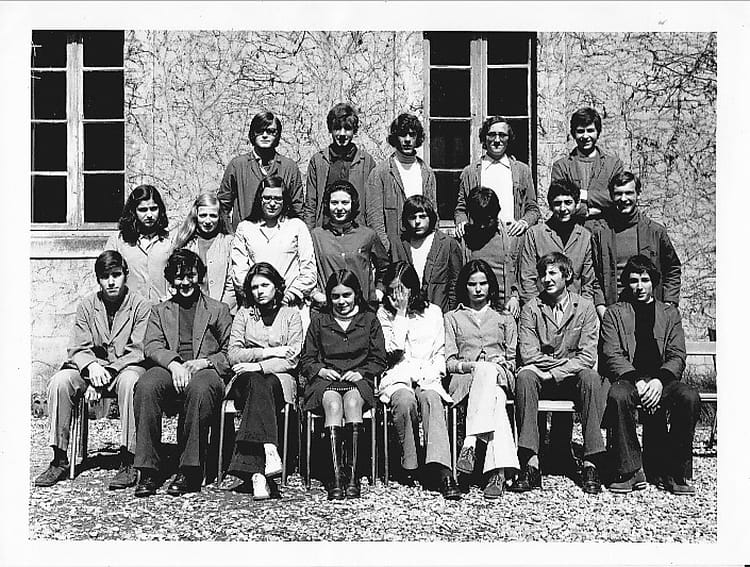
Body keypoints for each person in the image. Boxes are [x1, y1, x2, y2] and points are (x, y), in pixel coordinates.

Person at [34, 251, 150, 490]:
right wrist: (91, 367)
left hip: (124, 369)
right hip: (92, 369)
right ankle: (59, 458)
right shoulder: (87, 305)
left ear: (125, 275)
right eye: (105, 277)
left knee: (131, 382)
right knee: (60, 381)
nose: (111, 282)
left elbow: (139, 350)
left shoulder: (141, 305)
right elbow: (78, 347)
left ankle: (129, 459)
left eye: (116, 275)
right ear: (98, 279)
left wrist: (106, 372)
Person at [133, 249, 232, 497]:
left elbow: (231, 351)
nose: (185, 282)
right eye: (179, 277)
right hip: (171, 369)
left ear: (200, 276)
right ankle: (148, 469)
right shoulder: (160, 311)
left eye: (191, 276)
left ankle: (190, 469)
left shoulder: (218, 309)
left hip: (205, 370)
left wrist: (205, 362)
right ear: (171, 280)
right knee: (146, 385)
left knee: (200, 388)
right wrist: (174, 364)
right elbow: (152, 345)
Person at [601, 255, 700, 495]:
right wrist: (637, 379)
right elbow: (611, 353)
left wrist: (659, 381)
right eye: (634, 280)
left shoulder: (670, 313)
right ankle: (631, 470)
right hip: (629, 379)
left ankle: (675, 471)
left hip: (662, 380)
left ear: (654, 282)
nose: (639, 286)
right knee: (618, 396)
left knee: (689, 397)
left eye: (645, 280)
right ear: (627, 283)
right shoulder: (614, 313)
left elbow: (677, 355)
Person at [510, 252, 608, 495]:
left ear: (567, 275)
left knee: (591, 377)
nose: (547, 279)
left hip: (571, 380)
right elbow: (529, 354)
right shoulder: (531, 308)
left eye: (552, 273)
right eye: (543, 274)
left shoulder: (585, 308)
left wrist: (554, 372)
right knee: (524, 377)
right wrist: (562, 365)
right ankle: (530, 462)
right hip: (541, 378)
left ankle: (591, 462)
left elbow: (587, 357)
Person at [376, 262, 461, 500]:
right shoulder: (383, 314)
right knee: (405, 401)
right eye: (392, 290)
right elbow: (392, 350)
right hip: (398, 375)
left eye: (402, 289)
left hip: (427, 374)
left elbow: (439, 352)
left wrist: (431, 375)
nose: (398, 295)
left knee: (431, 399)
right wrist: (401, 314)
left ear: (413, 287)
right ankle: (410, 464)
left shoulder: (433, 312)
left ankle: (442, 470)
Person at [300, 270, 387, 500]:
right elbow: (307, 359)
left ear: (356, 293)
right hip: (326, 381)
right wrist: (320, 370)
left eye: (346, 295)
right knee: (333, 405)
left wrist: (362, 372)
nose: (341, 301)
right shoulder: (320, 321)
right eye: (335, 296)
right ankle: (335, 476)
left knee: (352, 403)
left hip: (358, 380)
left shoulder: (369, 320)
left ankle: (353, 476)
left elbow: (379, 359)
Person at [221, 262, 303, 499]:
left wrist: (257, 365)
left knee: (262, 383)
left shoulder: (291, 315)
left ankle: (257, 475)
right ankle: (269, 448)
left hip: (279, 379)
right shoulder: (244, 315)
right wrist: (270, 352)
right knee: (257, 383)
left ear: (277, 287)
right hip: (244, 381)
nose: (260, 291)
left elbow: (293, 359)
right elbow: (233, 354)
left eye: (265, 285)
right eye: (255, 287)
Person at [444, 260, 519, 499]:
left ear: (491, 286)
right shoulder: (452, 318)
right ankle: (498, 472)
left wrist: (501, 363)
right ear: (464, 287)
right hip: (465, 379)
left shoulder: (504, 317)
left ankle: (470, 444)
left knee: (490, 374)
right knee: (495, 397)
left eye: (483, 283)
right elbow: (449, 362)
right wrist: (472, 366)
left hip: (500, 376)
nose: (478, 289)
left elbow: (513, 359)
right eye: (472, 284)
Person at [589, 171, 682, 319]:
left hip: (651, 312)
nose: (623, 199)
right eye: (618, 194)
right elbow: (594, 275)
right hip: (614, 312)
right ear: (611, 196)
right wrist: (601, 308)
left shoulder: (655, 231)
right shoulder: (600, 234)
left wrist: (669, 304)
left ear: (638, 194)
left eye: (629, 193)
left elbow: (672, 269)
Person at [454, 116, 540, 269]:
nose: (497, 140)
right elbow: (461, 208)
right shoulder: (470, 172)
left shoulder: (522, 170)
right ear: (484, 138)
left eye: (502, 135)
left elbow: (533, 209)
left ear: (509, 139)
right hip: (479, 242)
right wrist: (461, 222)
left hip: (512, 240)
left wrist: (524, 222)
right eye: (492, 135)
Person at [231, 176, 317, 315]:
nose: (272, 203)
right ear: (260, 199)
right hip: (256, 307)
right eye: (267, 198)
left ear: (284, 200)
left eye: (277, 199)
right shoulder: (245, 227)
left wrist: (290, 295)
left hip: (291, 306)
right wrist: (255, 295)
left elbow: (309, 271)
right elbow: (239, 271)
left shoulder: (297, 226)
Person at [218, 111, 304, 230]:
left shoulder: (289, 167)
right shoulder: (237, 165)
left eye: (270, 131)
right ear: (252, 133)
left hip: (280, 236)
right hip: (245, 236)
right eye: (259, 131)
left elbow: (298, 208)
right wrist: (230, 234)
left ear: (278, 134)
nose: (264, 135)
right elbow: (222, 205)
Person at [310, 180, 389, 310]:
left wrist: (379, 291)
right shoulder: (316, 236)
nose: (339, 208)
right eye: (334, 203)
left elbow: (385, 268)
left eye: (345, 202)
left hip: (363, 308)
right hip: (328, 308)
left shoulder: (367, 235)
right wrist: (315, 294)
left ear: (353, 204)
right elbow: (305, 269)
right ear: (327, 204)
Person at [518, 179, 598, 304]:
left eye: (568, 203)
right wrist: (536, 308)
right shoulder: (534, 234)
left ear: (577, 204)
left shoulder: (585, 237)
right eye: (557, 203)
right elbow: (527, 279)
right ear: (550, 205)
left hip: (575, 307)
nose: (563, 208)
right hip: (542, 306)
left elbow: (588, 282)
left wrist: (583, 309)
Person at [365, 112, 437, 252]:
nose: (407, 140)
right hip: (393, 250)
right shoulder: (380, 173)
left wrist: (431, 247)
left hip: (422, 247)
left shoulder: (427, 173)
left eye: (412, 135)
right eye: (403, 135)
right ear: (395, 138)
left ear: (418, 138)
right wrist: (388, 250)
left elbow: (433, 215)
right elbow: (375, 219)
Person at [303, 102, 376, 230]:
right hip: (325, 230)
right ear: (330, 130)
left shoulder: (366, 162)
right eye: (337, 128)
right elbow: (311, 204)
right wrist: (309, 233)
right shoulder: (318, 161)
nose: (342, 134)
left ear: (354, 131)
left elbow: (372, 205)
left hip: (356, 231)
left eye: (347, 129)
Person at [389, 195, 462, 313]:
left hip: (439, 313)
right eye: (412, 217)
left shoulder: (447, 244)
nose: (417, 222)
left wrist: (450, 312)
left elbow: (456, 283)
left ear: (431, 217)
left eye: (422, 216)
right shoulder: (398, 244)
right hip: (405, 312)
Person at [551, 106, 625, 222]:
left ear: (598, 132)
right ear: (573, 134)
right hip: (571, 227)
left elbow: (617, 197)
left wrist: (584, 195)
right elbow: (558, 200)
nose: (585, 136)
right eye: (580, 131)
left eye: (590, 130)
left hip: (606, 226)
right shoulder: (561, 166)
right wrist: (587, 212)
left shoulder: (614, 165)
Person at [457, 187, 520, 319]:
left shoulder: (511, 237)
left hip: (505, 310)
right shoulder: (464, 240)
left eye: (487, 220)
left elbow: (521, 272)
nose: (482, 226)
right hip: (474, 311)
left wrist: (515, 297)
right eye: (478, 220)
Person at [105, 184, 172, 303]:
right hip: (130, 309)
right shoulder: (118, 240)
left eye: (154, 209)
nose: (149, 215)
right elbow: (107, 275)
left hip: (163, 308)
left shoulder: (170, 240)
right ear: (133, 211)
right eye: (143, 210)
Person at [172, 192, 236, 312]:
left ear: (219, 217)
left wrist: (218, 311)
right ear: (196, 216)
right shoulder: (186, 243)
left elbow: (232, 284)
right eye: (203, 215)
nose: (207, 221)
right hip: (189, 309)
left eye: (213, 216)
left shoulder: (229, 243)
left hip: (221, 309)